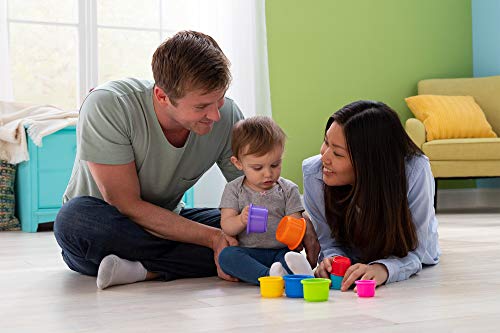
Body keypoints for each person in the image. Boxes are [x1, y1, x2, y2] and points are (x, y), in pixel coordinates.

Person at [53, 30, 247, 290]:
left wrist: (296, 218)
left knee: (249, 228)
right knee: (73, 221)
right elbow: (126, 205)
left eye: (219, 99)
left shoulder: (226, 113)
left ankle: (142, 270)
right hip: (108, 225)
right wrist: (213, 239)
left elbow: (254, 189)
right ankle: (214, 259)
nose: (215, 115)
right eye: (201, 107)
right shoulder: (109, 106)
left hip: (168, 221)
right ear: (162, 96)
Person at [303, 100, 440, 292]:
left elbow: (418, 251)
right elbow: (328, 240)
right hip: (355, 249)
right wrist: (333, 260)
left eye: (337, 153)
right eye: (326, 142)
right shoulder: (314, 173)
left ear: (368, 162)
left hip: (402, 249)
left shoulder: (415, 171)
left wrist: (383, 269)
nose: (324, 157)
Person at [218, 116, 315, 285]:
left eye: (275, 165)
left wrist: (294, 232)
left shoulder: (288, 189)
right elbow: (227, 225)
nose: (268, 174)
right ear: (238, 163)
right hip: (249, 252)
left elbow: (296, 222)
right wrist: (241, 220)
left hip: (280, 250)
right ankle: (269, 276)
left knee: (291, 257)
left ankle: (299, 274)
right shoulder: (234, 189)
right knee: (227, 256)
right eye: (258, 168)